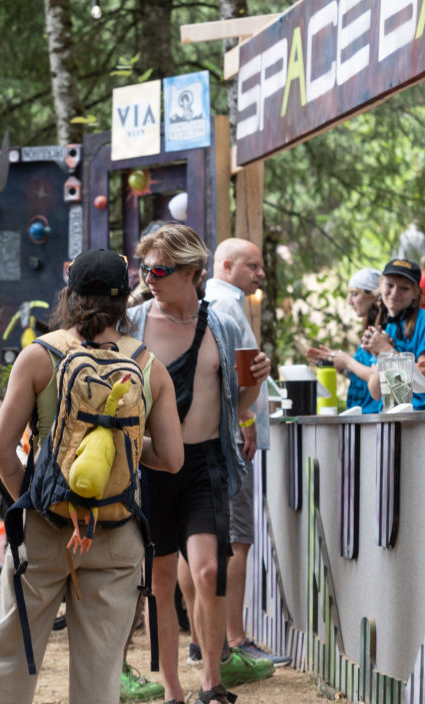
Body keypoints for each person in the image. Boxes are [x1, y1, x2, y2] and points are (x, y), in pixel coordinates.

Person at [0, 249, 183, 704]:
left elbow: (0, 449)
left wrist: (37, 503)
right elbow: (172, 458)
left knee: (10, 661)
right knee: (99, 674)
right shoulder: (150, 367)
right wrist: (123, 445)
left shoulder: (39, 356)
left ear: (69, 296)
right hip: (115, 531)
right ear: (126, 302)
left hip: (45, 530)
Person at [128, 225, 272, 704]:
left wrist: (255, 384)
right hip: (151, 465)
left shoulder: (223, 324)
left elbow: (241, 399)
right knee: (161, 579)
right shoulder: (134, 322)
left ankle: (212, 680)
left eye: (162, 269)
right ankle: (172, 689)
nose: (151, 277)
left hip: (206, 461)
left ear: (193, 272)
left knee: (210, 570)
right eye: (146, 268)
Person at [180, 237, 289, 669]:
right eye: (253, 266)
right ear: (225, 266)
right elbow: (234, 377)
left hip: (217, 438)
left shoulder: (219, 304)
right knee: (235, 541)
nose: (261, 273)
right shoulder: (226, 309)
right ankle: (234, 639)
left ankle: (202, 640)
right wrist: (244, 420)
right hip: (230, 442)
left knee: (201, 545)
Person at [362, 259, 425, 410]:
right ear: (381, 286)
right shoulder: (386, 327)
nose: (395, 292)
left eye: (404, 288)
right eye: (390, 285)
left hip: (423, 415)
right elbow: (376, 392)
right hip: (391, 414)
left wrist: (387, 350)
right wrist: (380, 356)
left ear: (415, 293)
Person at [305, 267, 383, 412]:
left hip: (372, 414)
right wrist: (341, 365)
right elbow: (364, 375)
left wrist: (347, 361)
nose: (349, 301)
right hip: (360, 412)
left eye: (355, 294)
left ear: (373, 296)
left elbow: (377, 376)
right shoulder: (368, 329)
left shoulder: (380, 332)